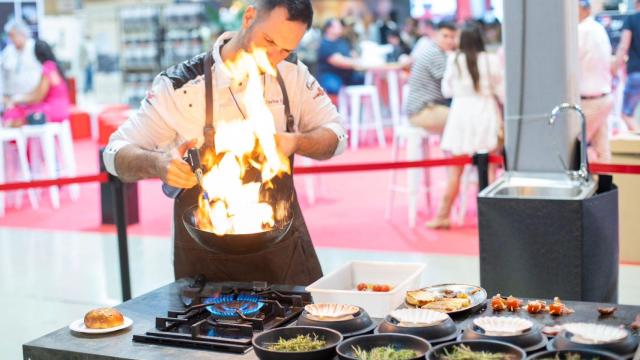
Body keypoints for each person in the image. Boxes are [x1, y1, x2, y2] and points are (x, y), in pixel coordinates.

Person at [103, 0, 347, 285]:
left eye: (285, 49)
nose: (272, 56)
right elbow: (114, 153)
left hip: (282, 249)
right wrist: (158, 164)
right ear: (249, 17)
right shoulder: (181, 86)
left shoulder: (292, 75)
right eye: (268, 40)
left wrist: (294, 142)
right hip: (206, 256)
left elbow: (337, 136)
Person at [427, 23, 503, 229]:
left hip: (460, 117)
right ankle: (490, 218)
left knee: (455, 172)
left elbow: (446, 90)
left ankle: (443, 215)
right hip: (485, 115)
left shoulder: (454, 59)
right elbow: (501, 91)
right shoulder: (491, 60)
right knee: (488, 170)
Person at [406, 21, 457, 135]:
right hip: (423, 111)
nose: (449, 40)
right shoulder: (435, 54)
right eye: (445, 36)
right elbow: (451, 85)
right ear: (436, 35)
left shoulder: (439, 52)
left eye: (452, 37)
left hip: (430, 108)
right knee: (462, 117)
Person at [3, 40, 70, 127]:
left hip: (52, 111)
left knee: (15, 113)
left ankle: (11, 136)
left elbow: (38, 97)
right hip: (63, 109)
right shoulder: (56, 67)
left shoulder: (48, 68)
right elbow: (36, 93)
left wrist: (16, 100)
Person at [578, 0, 613, 162]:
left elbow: (570, 63)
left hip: (590, 101)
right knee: (602, 150)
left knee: (575, 144)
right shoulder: (598, 28)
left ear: (583, 9)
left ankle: (587, 185)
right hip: (604, 96)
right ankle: (606, 186)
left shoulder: (581, 30)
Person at [317, 18, 363, 95]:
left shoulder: (342, 42)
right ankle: (336, 105)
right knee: (333, 86)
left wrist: (355, 60)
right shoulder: (324, 44)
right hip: (330, 74)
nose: (341, 28)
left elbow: (353, 55)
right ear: (329, 29)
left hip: (346, 74)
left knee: (363, 79)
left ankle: (354, 105)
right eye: (338, 26)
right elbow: (339, 62)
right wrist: (356, 62)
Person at [613, 0, 640, 131]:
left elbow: (623, 46)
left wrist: (614, 68)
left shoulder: (631, 20)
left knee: (627, 114)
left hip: (636, 72)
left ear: (636, 4)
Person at [1, 19, 42, 101]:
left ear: (22, 33)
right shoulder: (8, 50)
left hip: (33, 98)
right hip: (12, 98)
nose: (10, 39)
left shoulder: (36, 47)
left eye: (12, 35)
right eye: (9, 36)